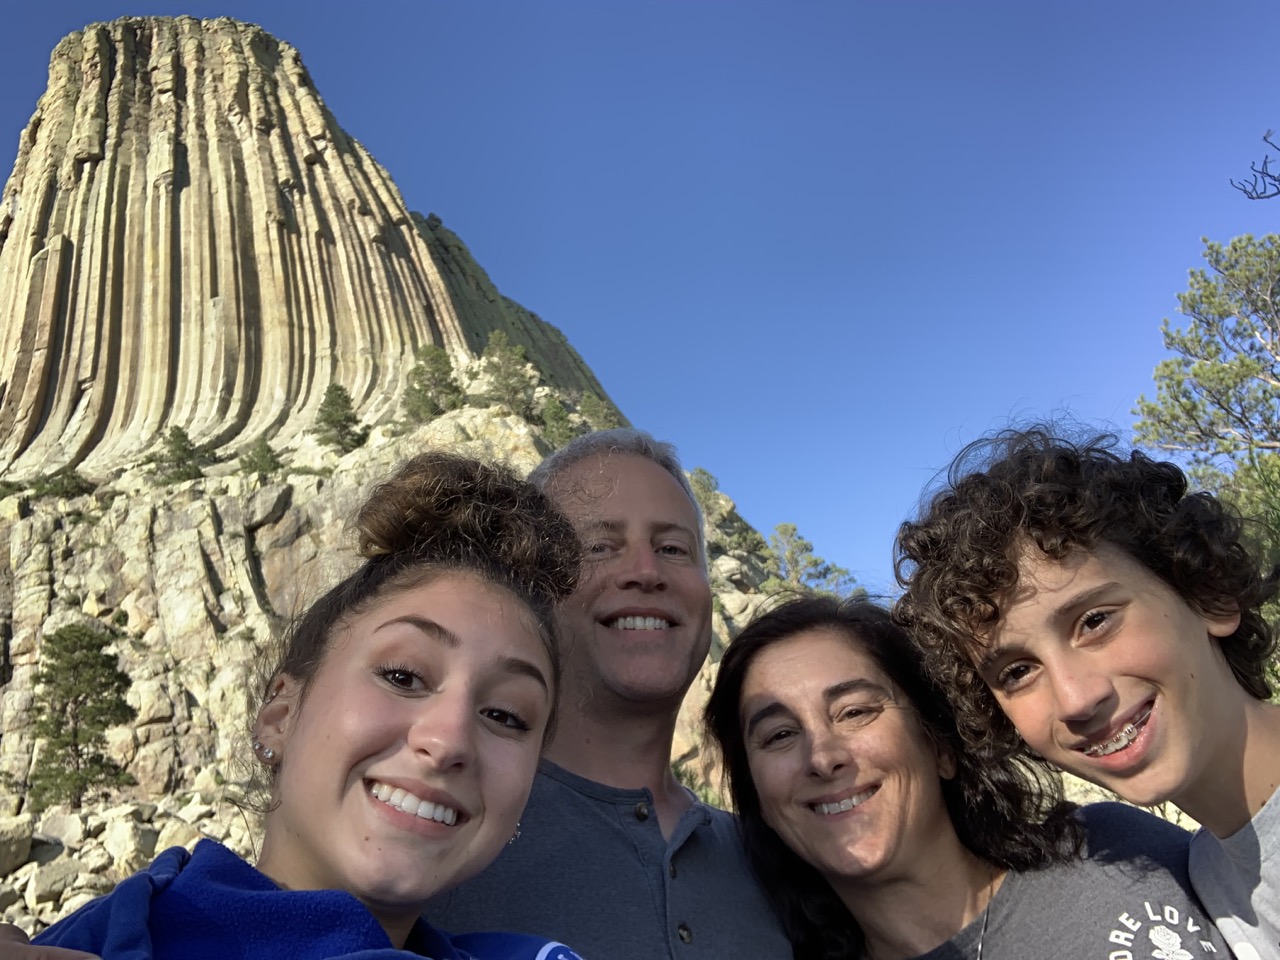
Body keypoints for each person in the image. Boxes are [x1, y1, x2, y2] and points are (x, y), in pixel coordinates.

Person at [23, 453, 586, 960]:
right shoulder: (108, 943)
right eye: (404, 675)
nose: (449, 740)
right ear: (280, 717)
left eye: (506, 715)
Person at [895, 427, 1280, 960]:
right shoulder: (1209, 874)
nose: (1075, 698)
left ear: (1208, 595)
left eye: (1095, 621)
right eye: (1015, 672)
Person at [428, 429, 791, 959]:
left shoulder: (781, 859)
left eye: (672, 548)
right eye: (599, 546)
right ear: (529, 586)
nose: (646, 572)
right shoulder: (440, 824)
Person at [704, 595, 1231, 960]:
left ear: (940, 747)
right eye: (778, 736)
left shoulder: (1115, 850)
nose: (822, 757)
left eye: (855, 711)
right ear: (760, 801)